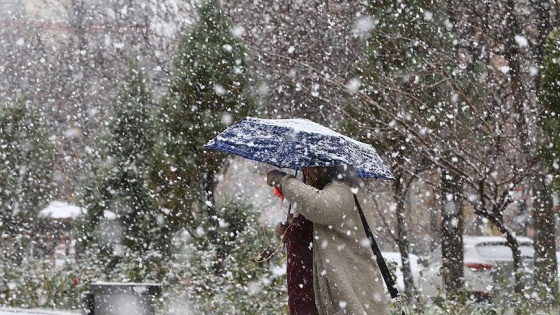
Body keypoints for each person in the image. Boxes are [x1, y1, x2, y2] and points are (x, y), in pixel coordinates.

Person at [268, 165, 387, 315]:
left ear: (326, 168)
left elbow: (318, 207)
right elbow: (315, 239)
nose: (305, 170)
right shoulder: (323, 193)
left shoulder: (343, 191)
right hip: (307, 298)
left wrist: (283, 181)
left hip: (340, 299)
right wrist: (289, 232)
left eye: (311, 166)